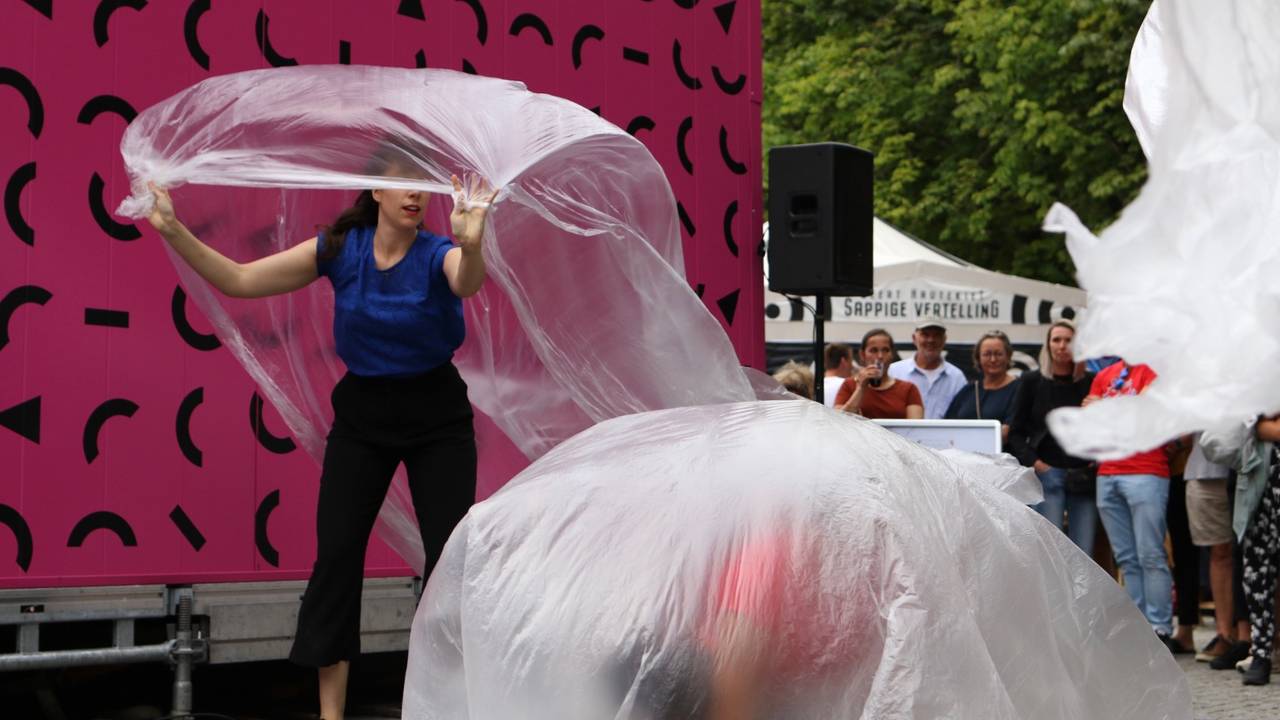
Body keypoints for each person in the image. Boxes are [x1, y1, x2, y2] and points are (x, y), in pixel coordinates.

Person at [144, 142, 497, 720]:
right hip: (363, 415)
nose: (416, 194)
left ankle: (446, 704)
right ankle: (331, 715)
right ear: (375, 191)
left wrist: (473, 242)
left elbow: (467, 283)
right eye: (404, 182)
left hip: (437, 416)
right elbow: (237, 279)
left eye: (424, 185)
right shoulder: (339, 249)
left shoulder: (439, 254)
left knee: (448, 564)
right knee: (336, 559)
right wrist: (172, 229)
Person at [1085, 360, 1178, 650]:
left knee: (1150, 553)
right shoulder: (1104, 375)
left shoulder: (1159, 372)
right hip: (1108, 472)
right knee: (1126, 557)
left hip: (1146, 470)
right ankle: (1139, 626)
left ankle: (1160, 627)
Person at [1007, 321, 1098, 555]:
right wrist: (1036, 463)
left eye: (1068, 340)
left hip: (1084, 475)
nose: (1062, 346)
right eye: (1056, 340)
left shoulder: (1091, 382)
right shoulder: (1031, 381)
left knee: (1084, 551)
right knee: (1051, 551)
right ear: (1047, 345)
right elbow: (1016, 432)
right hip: (1048, 474)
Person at [1183, 434, 1251, 667]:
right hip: (1204, 470)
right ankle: (1225, 635)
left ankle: (1256, 636)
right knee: (1219, 553)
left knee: (1252, 552)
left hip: (1250, 467)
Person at [1240, 415, 1280, 685]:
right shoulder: (1261, 379)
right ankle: (1261, 652)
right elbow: (1253, 426)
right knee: (1257, 571)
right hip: (1263, 486)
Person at [943, 330, 1021, 445]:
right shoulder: (968, 391)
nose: (993, 359)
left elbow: (1009, 431)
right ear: (978, 358)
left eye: (999, 354)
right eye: (987, 354)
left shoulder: (1019, 389)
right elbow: (947, 426)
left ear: (1008, 356)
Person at [834, 329, 923, 420]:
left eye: (885, 350)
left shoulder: (908, 389)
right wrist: (861, 389)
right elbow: (839, 422)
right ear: (862, 355)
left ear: (892, 354)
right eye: (873, 350)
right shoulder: (849, 385)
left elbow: (915, 428)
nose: (880, 356)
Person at [887, 319, 966, 419]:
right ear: (914, 338)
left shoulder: (957, 378)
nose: (931, 340)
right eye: (925, 335)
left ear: (944, 339)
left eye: (937, 335)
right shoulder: (894, 372)